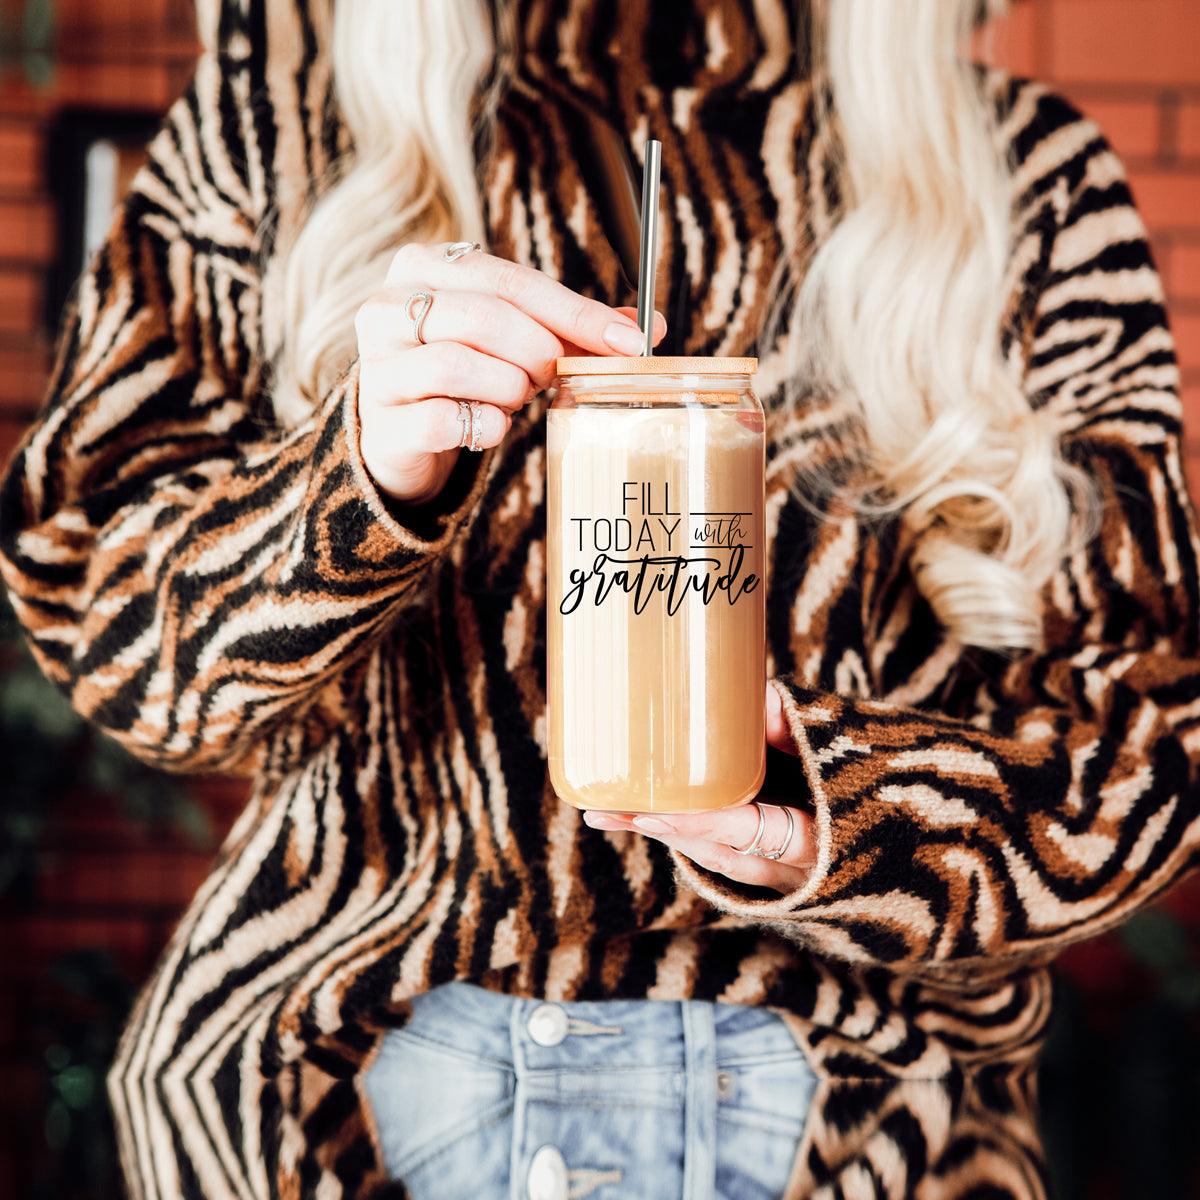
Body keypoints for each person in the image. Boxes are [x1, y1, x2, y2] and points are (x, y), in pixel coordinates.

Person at [2, 0, 1198, 1197]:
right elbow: (104, 629)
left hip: (862, 1118)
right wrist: (354, 478)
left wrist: (854, 820)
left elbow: (1156, 729)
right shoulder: (277, 133)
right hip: (331, 1104)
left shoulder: (1021, 173)